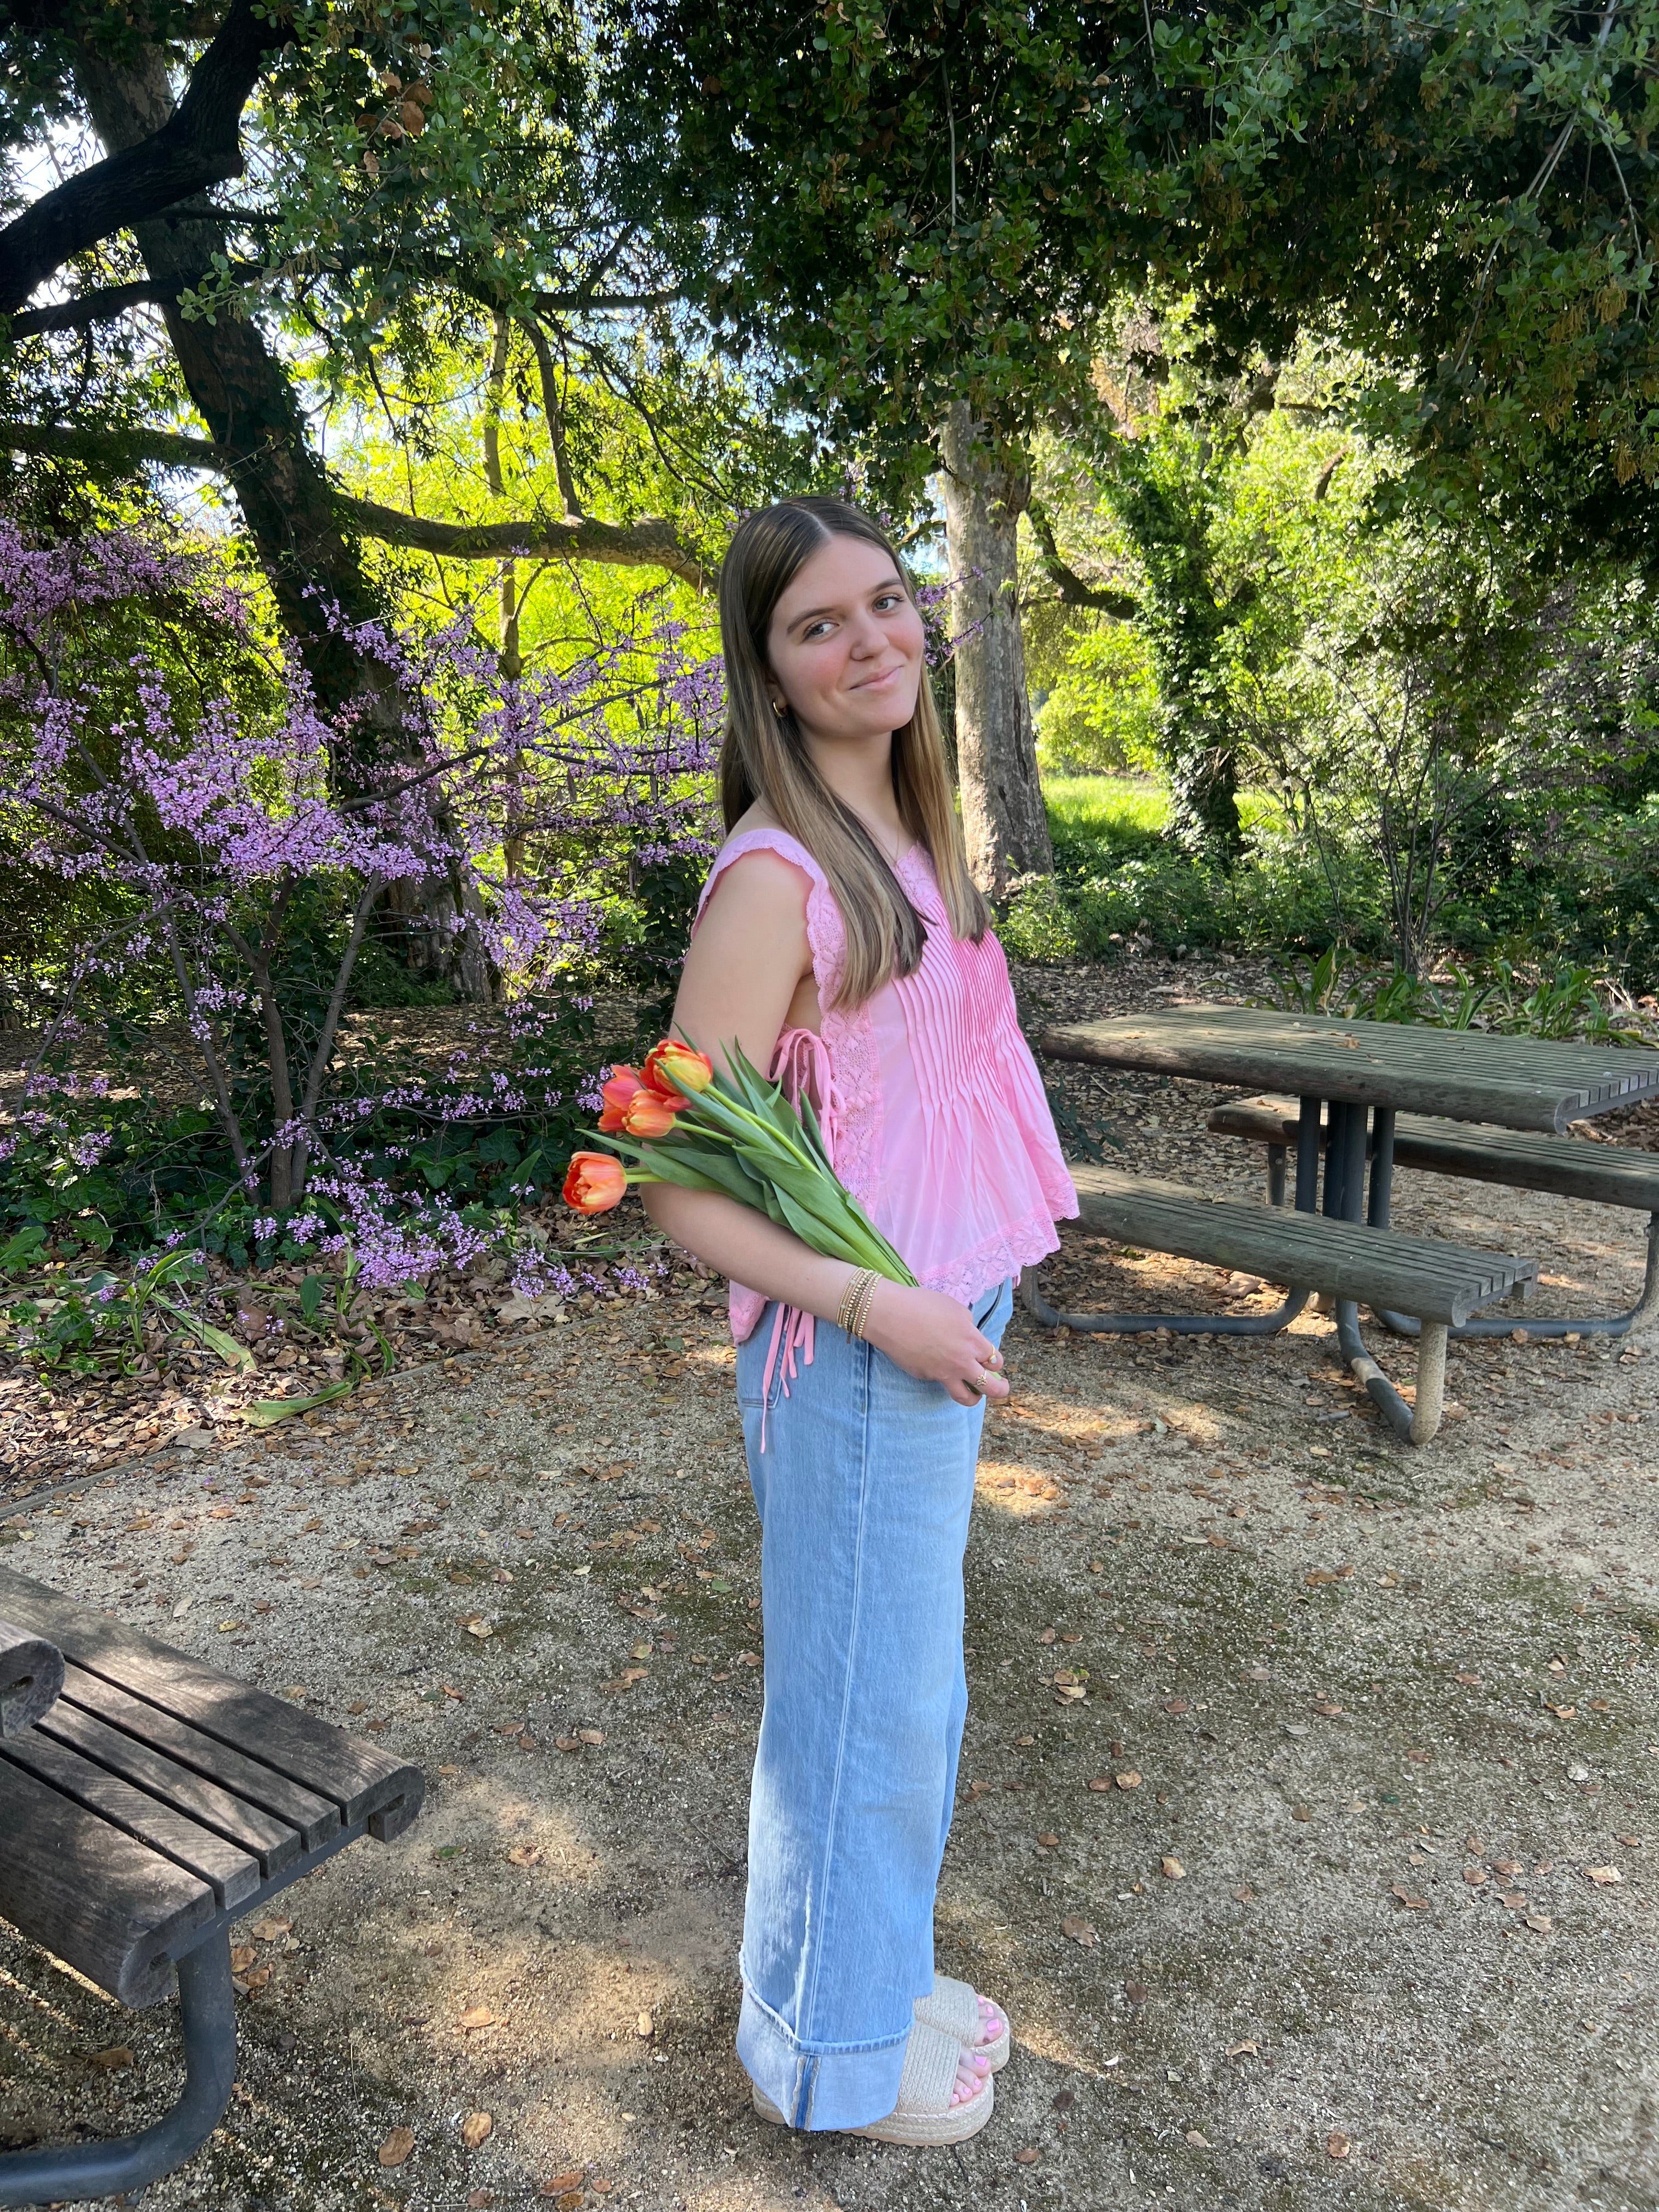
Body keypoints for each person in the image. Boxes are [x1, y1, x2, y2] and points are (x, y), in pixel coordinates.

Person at [642, 496, 1077, 2145]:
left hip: (940, 1308)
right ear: (767, 668)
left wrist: (946, 1287)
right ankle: (827, 2050)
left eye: (886, 602)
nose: (871, 641)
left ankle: (866, 1977)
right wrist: (877, 1303)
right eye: (818, 625)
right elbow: (671, 1188)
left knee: (909, 1684)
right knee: (857, 1700)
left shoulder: (914, 833)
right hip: (855, 1348)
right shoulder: (773, 884)